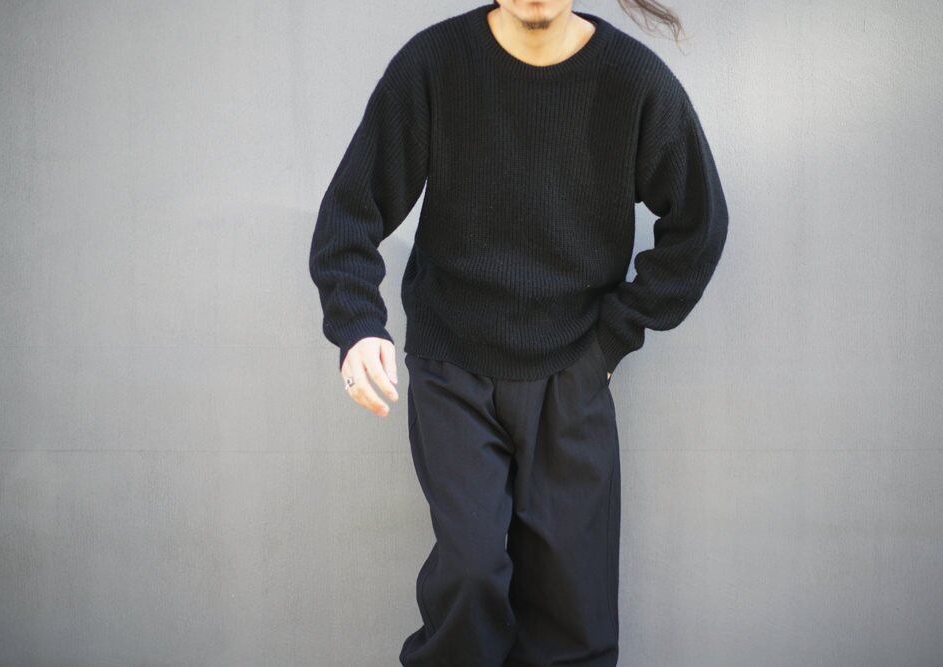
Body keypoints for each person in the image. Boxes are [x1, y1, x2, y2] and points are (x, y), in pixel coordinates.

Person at [309, 1, 728, 664]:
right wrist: (358, 325)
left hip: (573, 375)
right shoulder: (435, 66)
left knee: (574, 618)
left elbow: (699, 228)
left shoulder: (634, 82)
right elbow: (349, 213)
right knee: (470, 578)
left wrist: (612, 341)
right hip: (453, 364)